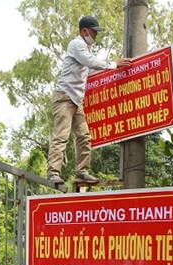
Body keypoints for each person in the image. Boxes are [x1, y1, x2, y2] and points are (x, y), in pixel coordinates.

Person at [47, 15, 134, 185]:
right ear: (85, 31)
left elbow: (90, 70)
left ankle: (81, 172)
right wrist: (114, 64)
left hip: (76, 101)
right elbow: (90, 62)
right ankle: (53, 172)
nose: (96, 35)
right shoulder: (77, 44)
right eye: (94, 32)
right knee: (61, 135)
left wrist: (113, 70)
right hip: (64, 97)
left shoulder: (84, 49)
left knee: (84, 136)